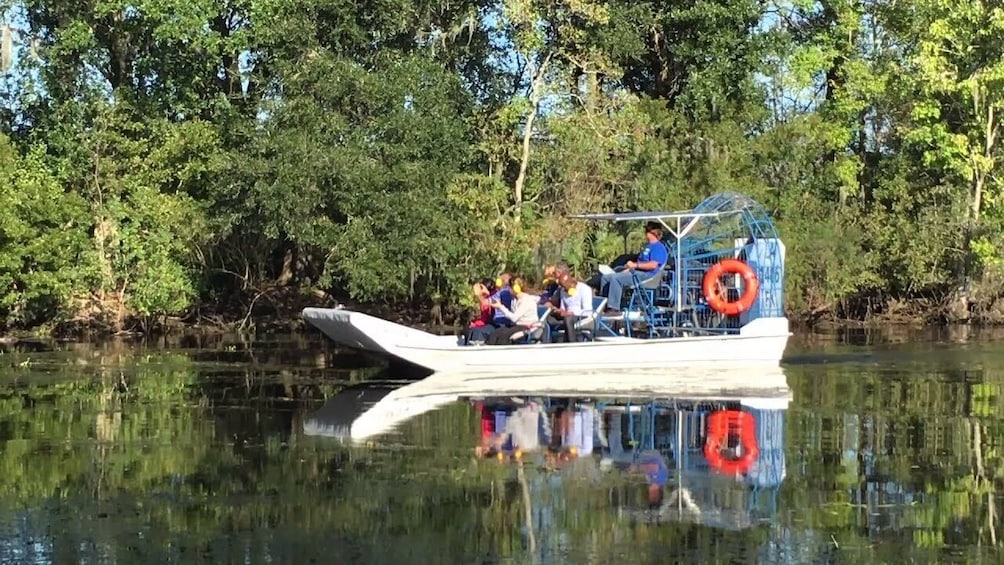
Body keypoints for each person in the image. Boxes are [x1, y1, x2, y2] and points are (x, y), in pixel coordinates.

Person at [599, 221, 669, 313]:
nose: (645, 233)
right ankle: (603, 305)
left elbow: (653, 265)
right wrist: (629, 269)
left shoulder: (658, 248)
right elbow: (641, 262)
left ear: (652, 233)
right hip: (637, 272)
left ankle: (614, 308)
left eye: (646, 231)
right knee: (606, 278)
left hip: (647, 275)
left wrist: (635, 265)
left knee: (616, 278)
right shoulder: (648, 246)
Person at [486, 277, 541, 345]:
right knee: (495, 333)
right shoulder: (514, 300)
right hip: (517, 326)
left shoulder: (526, 301)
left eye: (510, 287)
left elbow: (514, 318)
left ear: (516, 288)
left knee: (504, 336)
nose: (508, 289)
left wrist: (500, 307)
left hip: (526, 327)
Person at [545, 272, 594, 342]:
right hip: (566, 315)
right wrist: (558, 311)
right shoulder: (563, 290)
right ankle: (547, 342)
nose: (564, 289)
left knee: (568, 319)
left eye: (564, 286)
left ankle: (572, 343)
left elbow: (587, 311)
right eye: (562, 286)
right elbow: (563, 307)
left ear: (570, 283)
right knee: (547, 318)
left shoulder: (584, 289)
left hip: (580, 316)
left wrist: (571, 313)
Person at [462, 279, 496, 345]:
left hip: (492, 325)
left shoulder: (493, 298)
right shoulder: (480, 300)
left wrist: (480, 295)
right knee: (467, 329)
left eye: (481, 288)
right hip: (483, 324)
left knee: (477, 331)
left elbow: (487, 317)